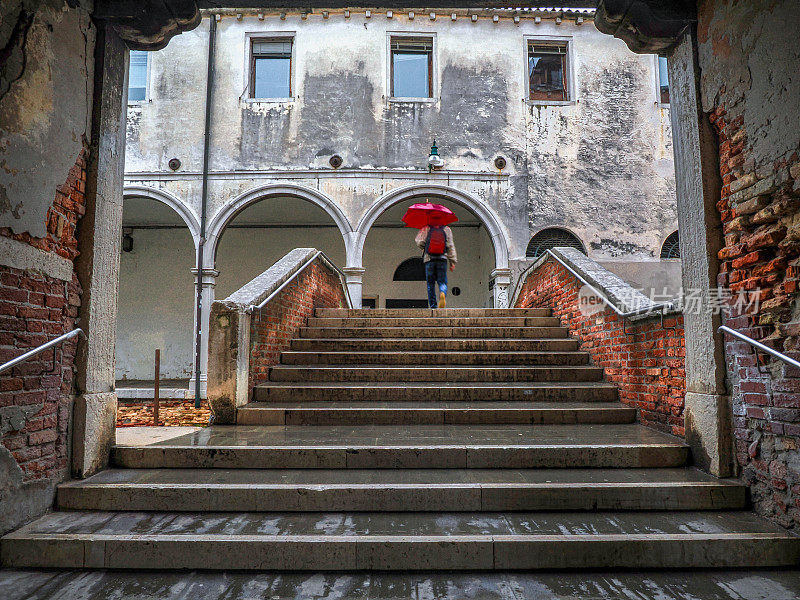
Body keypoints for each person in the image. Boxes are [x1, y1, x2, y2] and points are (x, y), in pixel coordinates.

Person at [415, 214, 457, 309]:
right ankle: (442, 292)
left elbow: (418, 242)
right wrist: (452, 262)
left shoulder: (426, 228)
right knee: (442, 282)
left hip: (429, 259)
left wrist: (425, 247)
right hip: (442, 259)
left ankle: (433, 306)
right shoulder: (447, 229)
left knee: (430, 284)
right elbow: (450, 246)